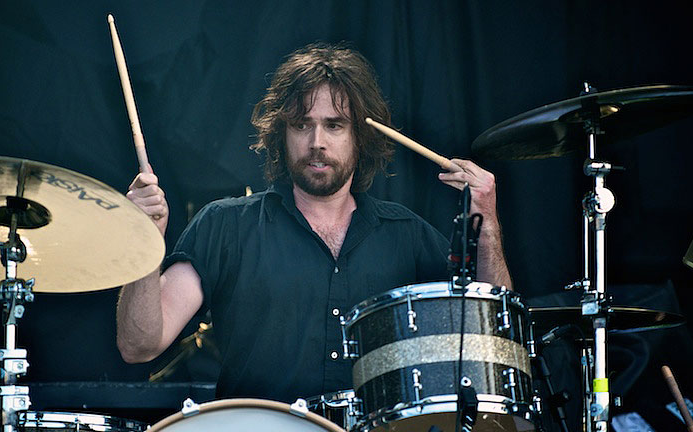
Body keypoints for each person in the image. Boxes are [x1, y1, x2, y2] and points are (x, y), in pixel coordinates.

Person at [116, 43, 512, 402]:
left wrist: (488, 224)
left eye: (334, 125)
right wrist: (144, 239)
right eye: (302, 124)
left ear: (360, 137)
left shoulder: (407, 235)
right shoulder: (225, 226)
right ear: (282, 134)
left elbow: (495, 340)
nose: (316, 141)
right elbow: (139, 345)